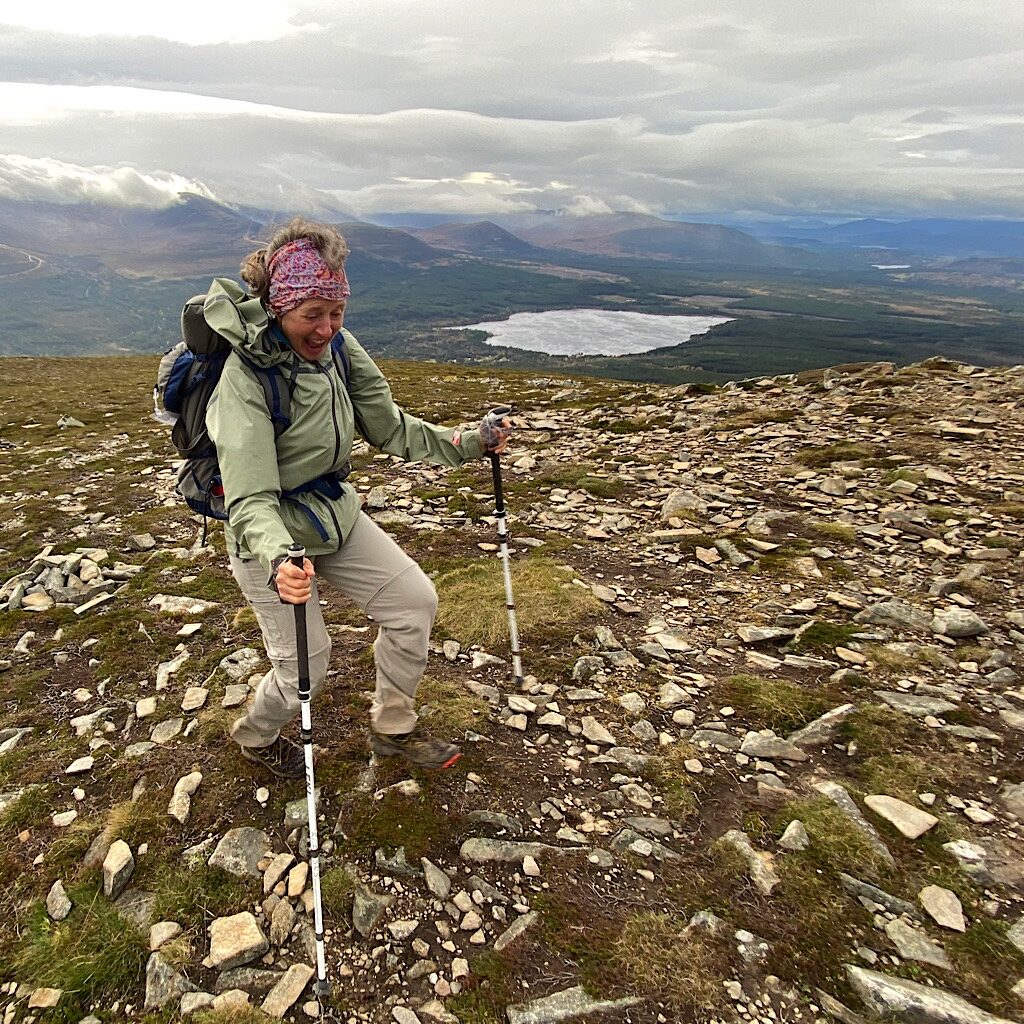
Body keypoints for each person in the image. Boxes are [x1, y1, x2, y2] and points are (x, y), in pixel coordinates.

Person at [204, 218, 511, 780]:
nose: (326, 329)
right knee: (308, 664)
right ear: (277, 308)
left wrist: (467, 443)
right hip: (268, 536)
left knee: (413, 603)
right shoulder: (244, 381)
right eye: (311, 315)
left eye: (336, 311)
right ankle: (255, 733)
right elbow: (249, 499)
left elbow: (388, 425)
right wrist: (279, 560)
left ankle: (393, 729)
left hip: (332, 513)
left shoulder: (341, 350)